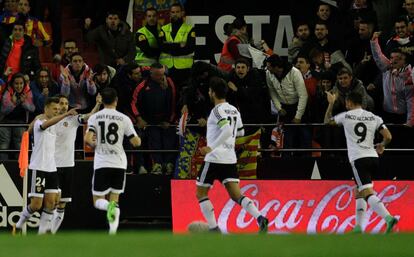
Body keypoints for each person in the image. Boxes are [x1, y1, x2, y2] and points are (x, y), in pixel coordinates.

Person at [196, 76, 268, 233]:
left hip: (214, 158)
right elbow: (240, 132)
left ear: (213, 93)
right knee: (236, 195)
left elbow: (227, 129)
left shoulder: (216, 111)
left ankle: (214, 228)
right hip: (229, 158)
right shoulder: (234, 110)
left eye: (209, 91)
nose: (209, 93)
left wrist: (211, 146)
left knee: (201, 193)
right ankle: (260, 217)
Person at [324, 91, 398, 233]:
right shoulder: (374, 117)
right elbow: (388, 137)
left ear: (350, 103)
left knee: (365, 191)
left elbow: (327, 121)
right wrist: (382, 145)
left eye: (346, 102)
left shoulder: (345, 116)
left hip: (358, 158)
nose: (346, 105)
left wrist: (331, 103)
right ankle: (358, 227)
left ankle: (388, 218)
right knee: (359, 190)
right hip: (373, 157)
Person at [13, 97, 78, 235]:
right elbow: (40, 126)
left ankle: (42, 235)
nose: (57, 111)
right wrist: (65, 114)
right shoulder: (39, 122)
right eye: (54, 109)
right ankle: (18, 225)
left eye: (58, 109)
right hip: (39, 167)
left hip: (52, 168)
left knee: (52, 203)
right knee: (36, 205)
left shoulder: (55, 123)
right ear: (46, 108)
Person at [84, 87, 141, 234]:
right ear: (116, 101)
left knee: (98, 201)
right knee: (114, 199)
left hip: (102, 162)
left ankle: (109, 211)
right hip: (119, 162)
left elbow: (87, 140)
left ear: (102, 100)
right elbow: (136, 142)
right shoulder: (124, 118)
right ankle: (113, 232)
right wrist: (138, 138)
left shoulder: (94, 117)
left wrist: (95, 145)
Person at [49, 94, 102, 234]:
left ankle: (51, 233)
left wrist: (97, 104)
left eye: (67, 103)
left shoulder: (73, 119)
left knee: (62, 203)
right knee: (52, 201)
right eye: (61, 103)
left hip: (67, 165)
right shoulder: (49, 120)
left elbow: (90, 117)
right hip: (51, 165)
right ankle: (46, 230)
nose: (65, 105)